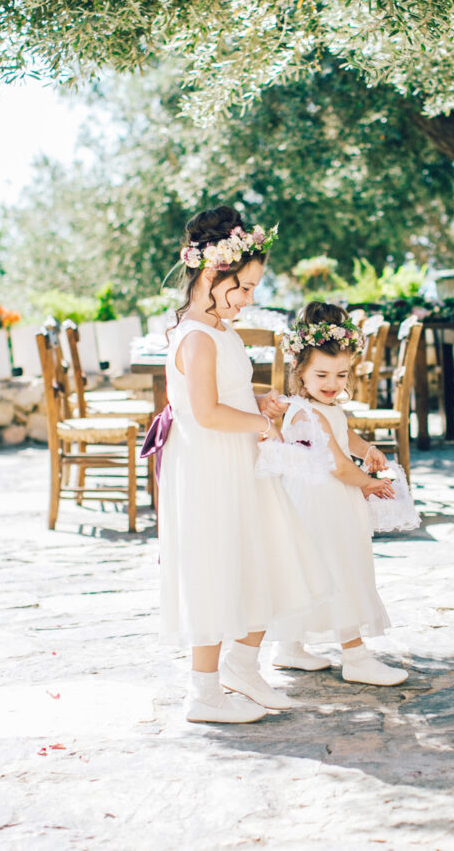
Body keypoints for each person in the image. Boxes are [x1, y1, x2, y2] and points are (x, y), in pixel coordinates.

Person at [156, 206, 331, 723]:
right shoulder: (196, 336)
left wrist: (258, 401)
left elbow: (219, 396)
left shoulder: (219, 330)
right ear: (213, 274)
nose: (250, 298)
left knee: (261, 556)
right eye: (244, 287)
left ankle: (241, 665)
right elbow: (206, 412)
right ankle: (203, 693)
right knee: (218, 563)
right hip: (212, 465)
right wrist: (258, 425)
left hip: (236, 459)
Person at [271, 302, 409, 686]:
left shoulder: (323, 407)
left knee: (317, 570)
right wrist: (370, 483)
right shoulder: (304, 413)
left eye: (342, 374)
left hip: (329, 499)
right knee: (340, 570)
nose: (333, 383)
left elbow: (344, 436)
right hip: (321, 503)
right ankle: (356, 657)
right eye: (321, 374)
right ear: (298, 371)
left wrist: (368, 450)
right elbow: (335, 463)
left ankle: (289, 646)